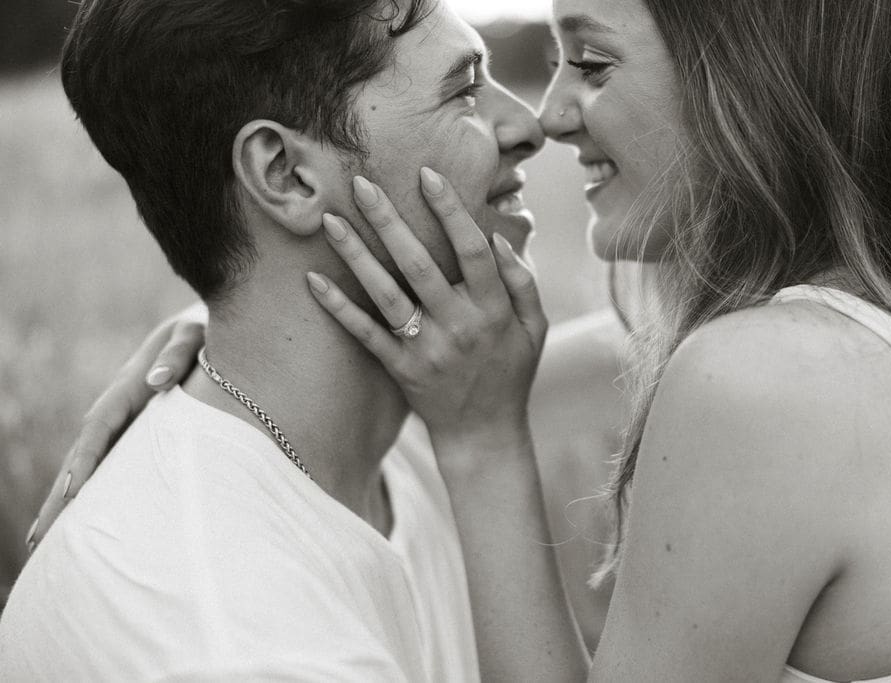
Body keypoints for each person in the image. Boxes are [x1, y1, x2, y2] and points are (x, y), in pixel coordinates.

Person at [298, 0, 891, 680]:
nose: (548, 115)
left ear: (747, 73)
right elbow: (594, 358)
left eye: (590, 64)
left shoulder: (766, 379)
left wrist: (482, 442)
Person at [0, 0, 589, 679]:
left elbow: (664, 362)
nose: (527, 124)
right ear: (285, 174)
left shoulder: (422, 416)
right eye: (462, 89)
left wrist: (222, 318)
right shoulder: (225, 640)